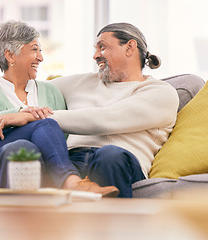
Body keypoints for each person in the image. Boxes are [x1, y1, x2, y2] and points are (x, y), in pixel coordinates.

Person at [0, 20, 119, 197]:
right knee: (45, 124)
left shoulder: (51, 91)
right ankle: (71, 181)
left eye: (40, 50)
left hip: (21, 164)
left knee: (22, 149)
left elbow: (60, 140)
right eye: (34, 49)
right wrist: (18, 115)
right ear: (10, 55)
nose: (41, 57)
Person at [48, 22, 179, 198]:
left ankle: (115, 225)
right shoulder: (79, 83)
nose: (95, 56)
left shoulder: (161, 92)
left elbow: (106, 119)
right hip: (69, 163)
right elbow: (29, 90)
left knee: (109, 155)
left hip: (119, 161)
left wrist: (43, 118)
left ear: (130, 47)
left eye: (102, 47)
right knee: (25, 156)